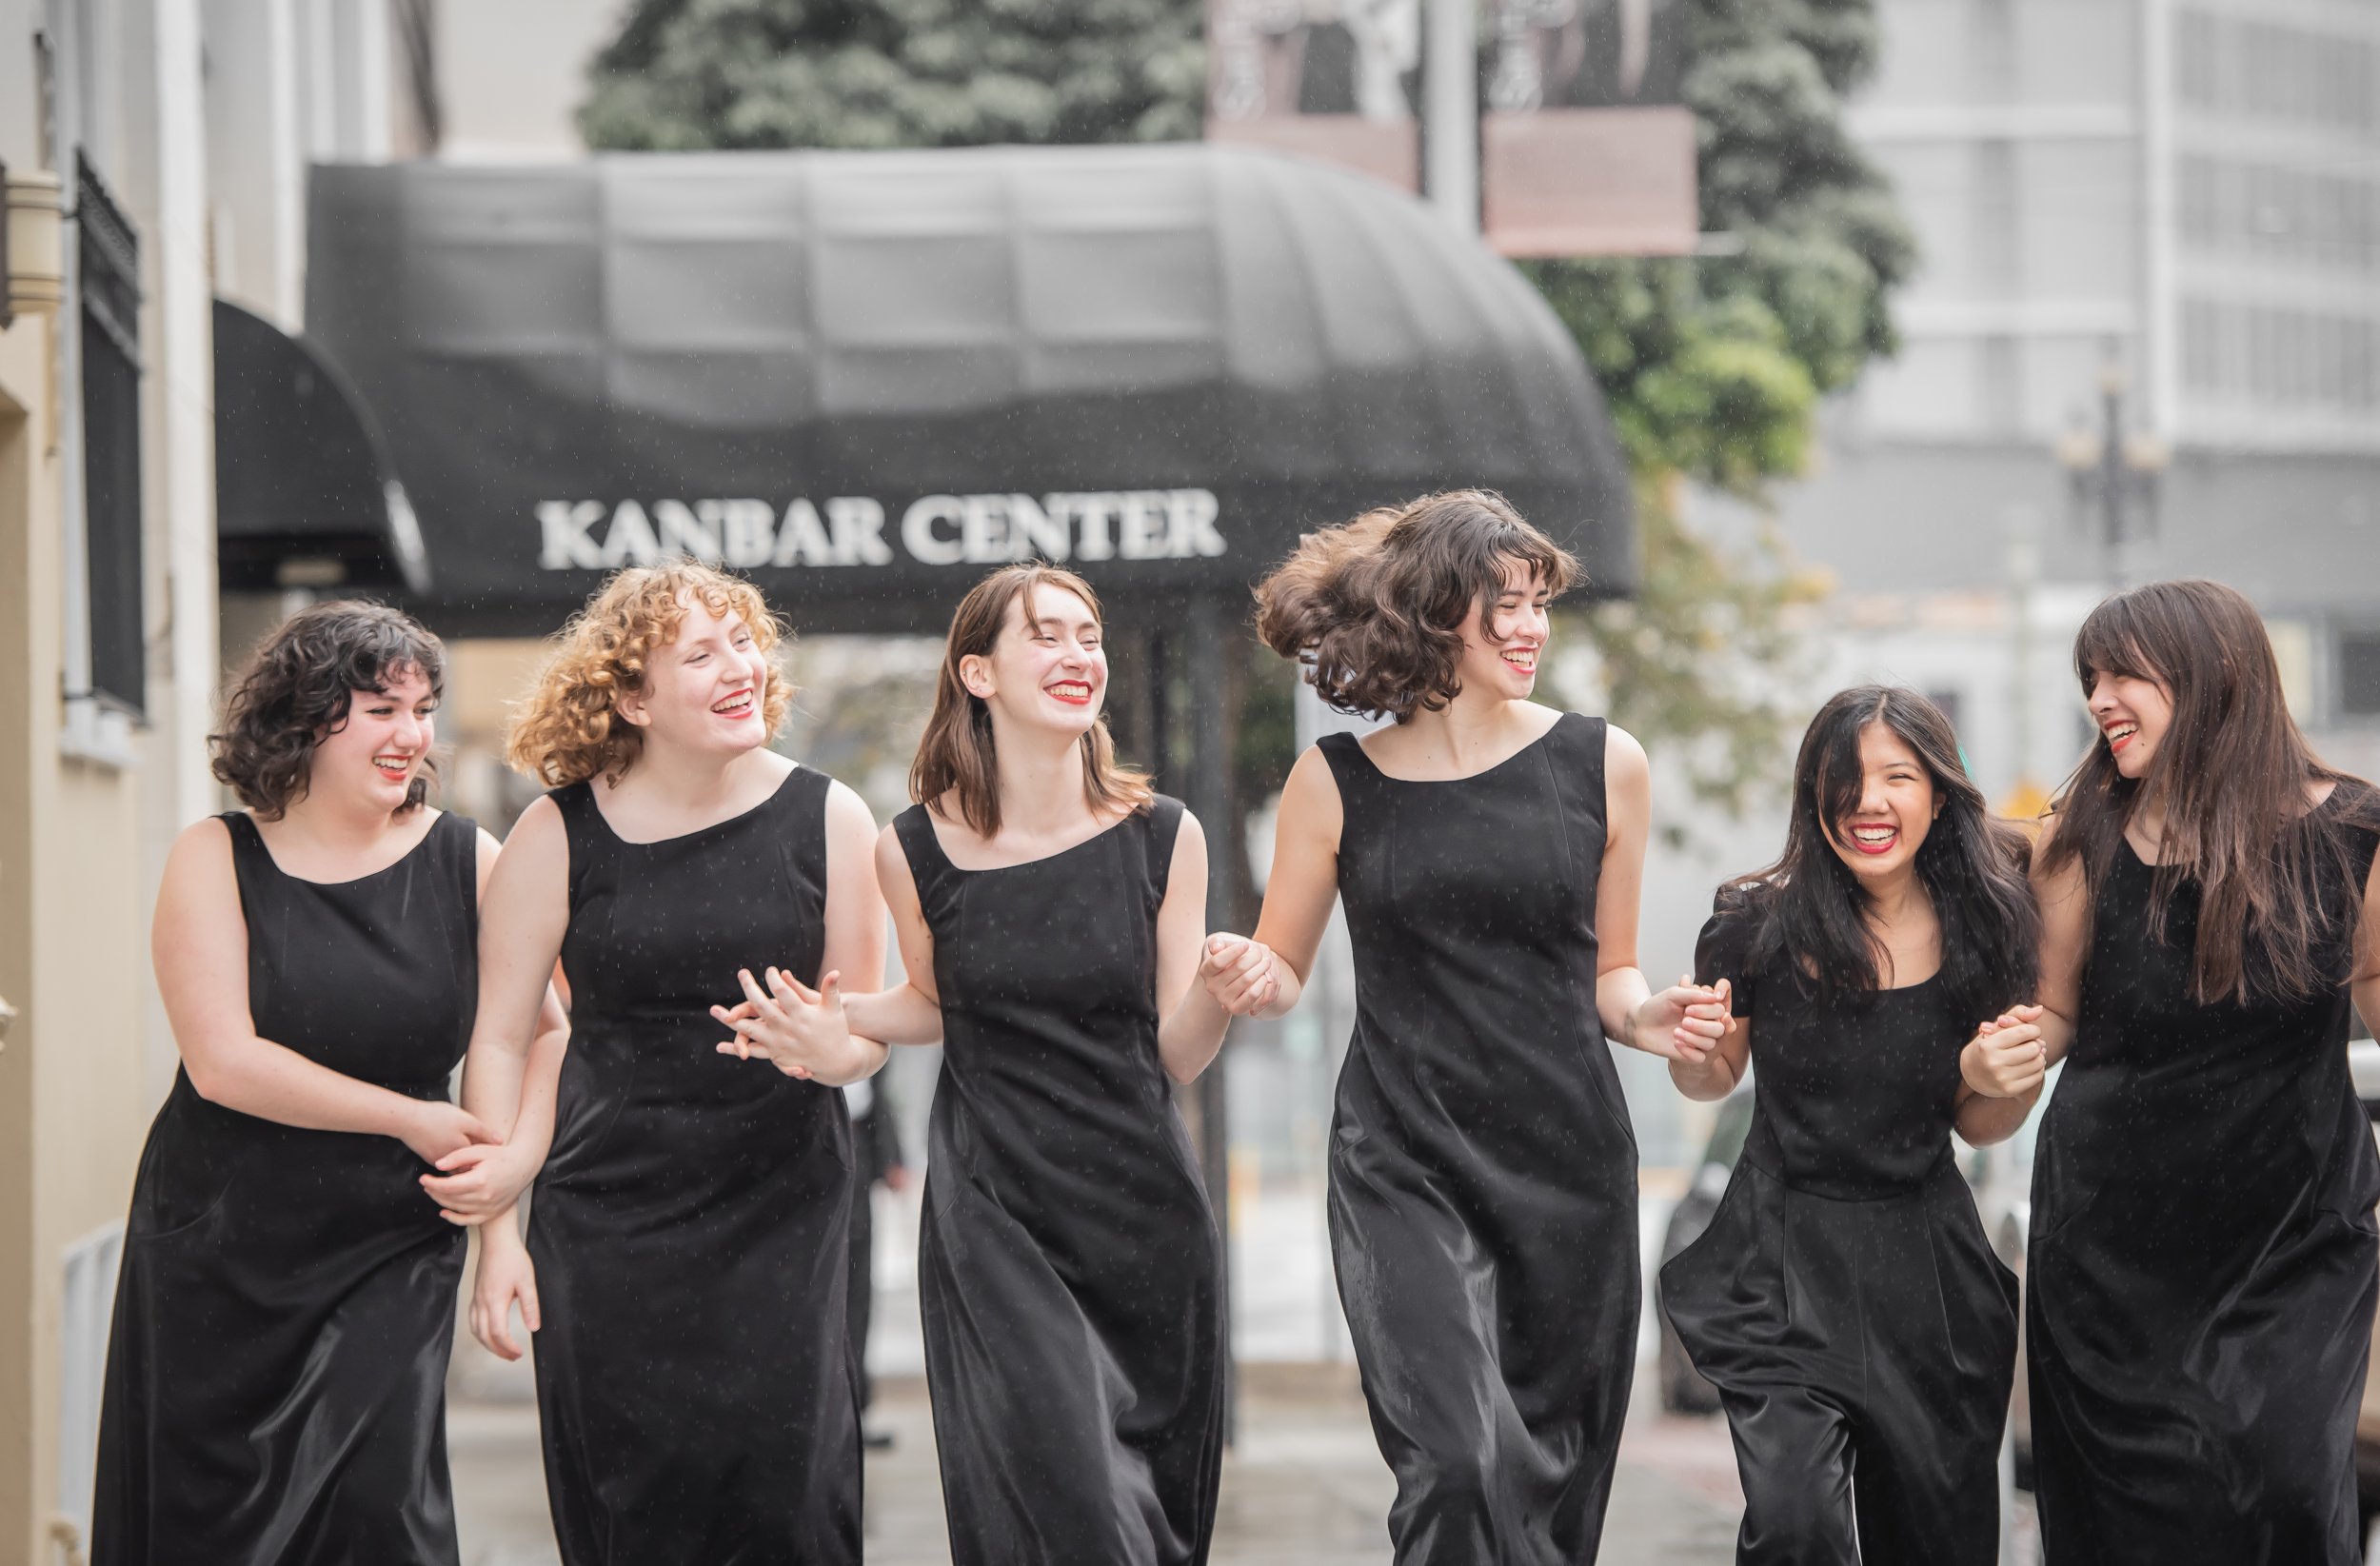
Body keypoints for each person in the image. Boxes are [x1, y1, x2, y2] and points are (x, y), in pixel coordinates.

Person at [727, 564, 1254, 1566]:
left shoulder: (1162, 837)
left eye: (1088, 634)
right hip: (994, 1213)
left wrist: (1217, 997)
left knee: (1151, 1520)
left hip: (1143, 1215)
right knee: (1068, 1498)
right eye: (1046, 635)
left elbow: (1169, 1052)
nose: (1078, 655)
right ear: (977, 671)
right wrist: (829, 1019)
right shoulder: (912, 849)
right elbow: (936, 1002)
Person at [1218, 490, 1708, 1565]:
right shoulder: (1331, 782)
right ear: (1437, 611)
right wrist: (1251, 967)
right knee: (1453, 1462)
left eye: (1539, 605)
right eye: (1504, 606)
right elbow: (1283, 962)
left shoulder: (1603, 763)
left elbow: (1610, 973)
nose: (1531, 627)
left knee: (1552, 1495)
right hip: (1403, 1160)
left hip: (1566, 1167)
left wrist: (1650, 1014)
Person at [426, 562, 884, 1566]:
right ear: (631, 695)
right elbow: (498, 1039)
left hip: (784, 1215)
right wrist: (497, 1241)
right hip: (608, 1228)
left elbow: (865, 1032)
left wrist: (833, 1047)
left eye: (747, 641)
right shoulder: (556, 832)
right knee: (635, 1512)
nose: (743, 667)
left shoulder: (831, 817)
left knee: (790, 1506)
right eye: (703, 652)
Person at [93, 602, 564, 1566]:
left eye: (423, 708)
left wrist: (506, 1194)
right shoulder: (214, 857)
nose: (412, 736)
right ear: (306, 716)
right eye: (381, 709)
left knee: (383, 1512)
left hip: (392, 1241)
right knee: (213, 1533)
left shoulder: (466, 858)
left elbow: (543, 1033)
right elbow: (223, 1061)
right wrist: (410, 1116)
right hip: (223, 1243)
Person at [1964, 579, 2380, 1565]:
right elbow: (2048, 1015)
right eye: (2090, 678)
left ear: (2215, 673)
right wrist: (1992, 1068)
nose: (2099, 698)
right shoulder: (2084, 838)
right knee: (2125, 1527)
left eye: (2123, 675)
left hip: (2293, 1241)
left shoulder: (2355, 834)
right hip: (2110, 1254)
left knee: (2281, 1487)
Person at [1659, 685, 2035, 1565]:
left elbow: (1985, 1123)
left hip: (1928, 1270)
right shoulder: (1755, 921)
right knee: (1798, 1525)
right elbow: (1712, 1075)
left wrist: (1989, 1080)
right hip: (1782, 1259)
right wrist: (1690, 1050)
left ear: (1938, 794)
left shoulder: (1989, 924)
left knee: (1939, 1540)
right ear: (1814, 795)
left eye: (1898, 776)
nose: (1871, 801)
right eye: (1847, 778)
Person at [843, 1074, 908, 1449]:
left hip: (857, 1151)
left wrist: (891, 1155)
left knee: (856, 1291)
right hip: (805, 1152)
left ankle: (853, 1412)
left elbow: (877, 1088)